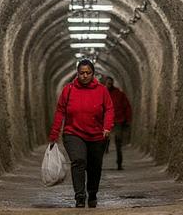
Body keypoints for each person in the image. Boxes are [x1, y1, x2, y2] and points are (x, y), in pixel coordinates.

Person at [49, 59, 114, 208]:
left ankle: (92, 193)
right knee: (78, 161)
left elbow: (109, 109)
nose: (84, 76)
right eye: (81, 73)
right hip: (73, 133)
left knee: (94, 166)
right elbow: (60, 111)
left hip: (97, 135)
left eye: (88, 73)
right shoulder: (69, 89)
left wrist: (107, 127)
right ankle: (79, 196)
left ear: (93, 74)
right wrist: (54, 134)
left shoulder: (102, 90)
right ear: (77, 73)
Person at [104, 76, 132, 170]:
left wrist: (128, 120)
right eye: (108, 83)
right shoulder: (101, 93)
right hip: (105, 121)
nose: (109, 85)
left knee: (118, 141)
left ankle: (119, 163)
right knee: (100, 141)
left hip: (118, 120)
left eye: (111, 83)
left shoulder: (119, 94)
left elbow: (126, 107)